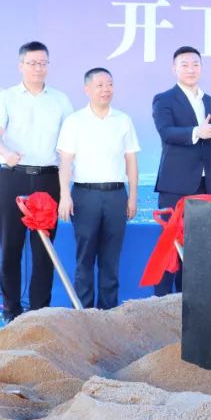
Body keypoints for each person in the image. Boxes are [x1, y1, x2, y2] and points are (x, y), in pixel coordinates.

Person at [0, 41, 74, 322]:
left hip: (48, 178)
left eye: (43, 63)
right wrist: (5, 152)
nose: (38, 68)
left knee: (44, 249)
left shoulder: (60, 100)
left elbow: (69, 143)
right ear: (21, 65)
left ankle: (39, 312)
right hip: (14, 176)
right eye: (32, 63)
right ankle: (11, 310)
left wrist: (66, 187)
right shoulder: (6, 97)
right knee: (10, 246)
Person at [57, 68, 140, 310]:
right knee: (84, 259)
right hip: (85, 196)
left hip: (116, 195)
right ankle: (83, 314)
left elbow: (131, 161)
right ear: (87, 89)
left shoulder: (123, 120)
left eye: (109, 84)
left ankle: (108, 314)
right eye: (100, 85)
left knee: (111, 260)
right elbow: (65, 162)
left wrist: (132, 197)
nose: (106, 89)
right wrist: (64, 195)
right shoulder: (74, 121)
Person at [151, 45, 211, 295]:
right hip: (175, 186)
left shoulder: (210, 101)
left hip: (203, 187)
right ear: (174, 69)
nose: (191, 69)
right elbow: (166, 132)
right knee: (169, 248)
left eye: (195, 64)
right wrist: (196, 132)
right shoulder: (164, 99)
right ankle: (160, 304)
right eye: (184, 65)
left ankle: (187, 302)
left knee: (196, 248)